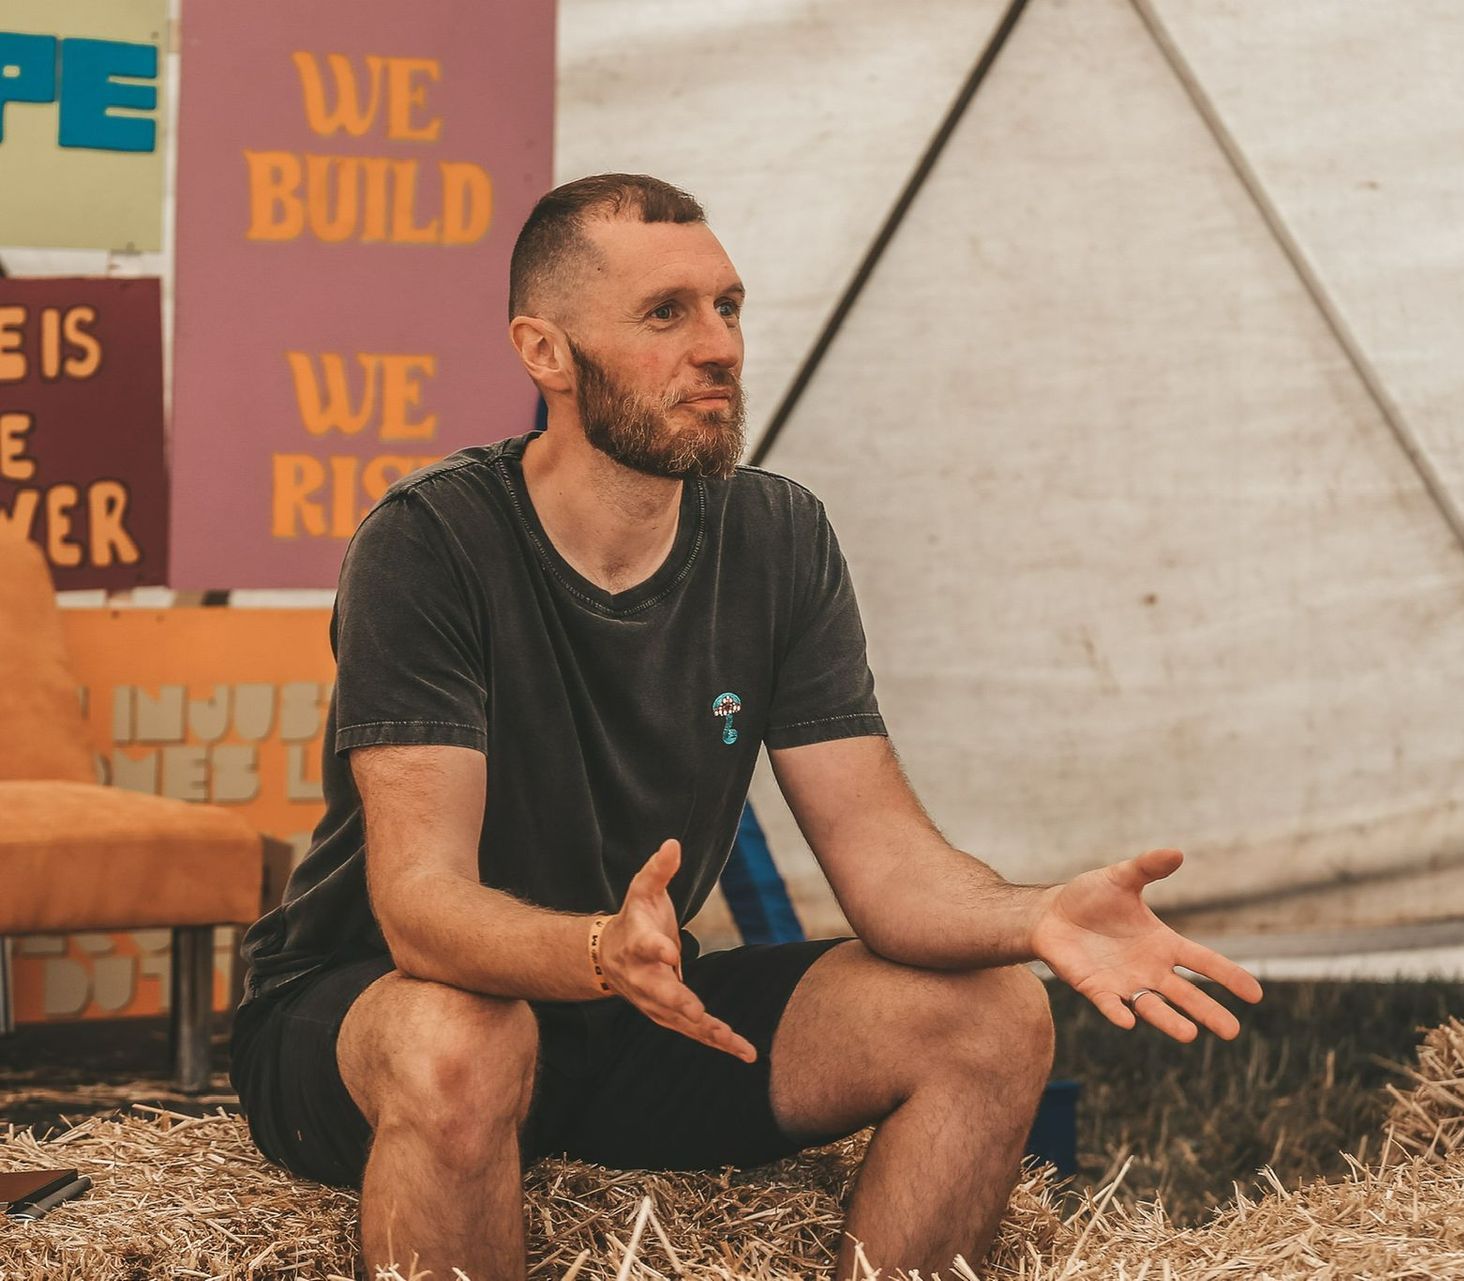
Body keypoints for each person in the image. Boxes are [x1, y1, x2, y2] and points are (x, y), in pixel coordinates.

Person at [229, 173, 1263, 1281]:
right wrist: (595, 950)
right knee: (466, 1042)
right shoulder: (430, 541)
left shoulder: (779, 535)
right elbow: (421, 910)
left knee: (997, 1016)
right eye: (665, 313)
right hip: (374, 1016)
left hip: (635, 1008)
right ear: (546, 353)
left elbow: (885, 863)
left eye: (727, 307)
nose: (718, 346)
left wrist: (1037, 913)